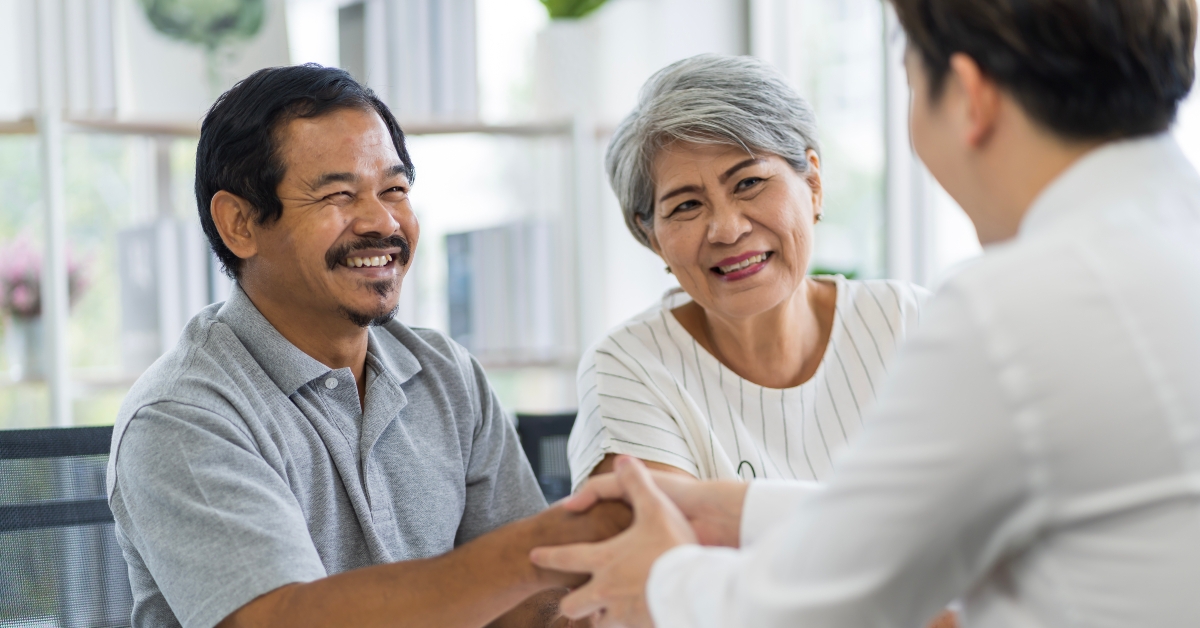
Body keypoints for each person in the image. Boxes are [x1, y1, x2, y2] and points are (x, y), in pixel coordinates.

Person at [532, 0, 1200, 625]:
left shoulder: (1009, 313)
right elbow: (925, 524)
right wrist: (740, 510)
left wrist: (663, 580)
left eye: (909, 76)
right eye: (685, 204)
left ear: (970, 96)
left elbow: (846, 598)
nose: (728, 227)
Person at [105, 64, 629, 628]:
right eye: (339, 194)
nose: (382, 221)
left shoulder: (446, 374)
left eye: (395, 190)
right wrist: (547, 544)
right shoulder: (182, 415)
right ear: (240, 223)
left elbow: (529, 607)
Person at [568, 54, 927, 490]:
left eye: (749, 183)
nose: (727, 229)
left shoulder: (914, 323)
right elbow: (657, 551)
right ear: (653, 239)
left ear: (812, 184)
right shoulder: (629, 368)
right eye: (686, 205)